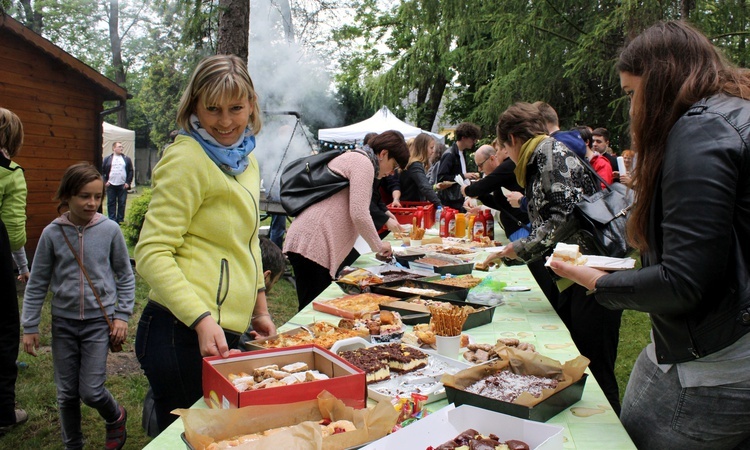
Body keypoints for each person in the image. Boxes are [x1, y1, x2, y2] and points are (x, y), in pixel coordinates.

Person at [550, 21, 750, 449]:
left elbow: (682, 282)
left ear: (659, 82)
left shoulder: (701, 129)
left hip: (714, 362)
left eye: (631, 93)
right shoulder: (735, 112)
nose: (631, 108)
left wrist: (600, 282)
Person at [135, 54, 276, 433]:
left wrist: (259, 308)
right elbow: (150, 252)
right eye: (212, 109)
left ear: (251, 105)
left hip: (222, 330)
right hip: (177, 332)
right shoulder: (187, 158)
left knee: (220, 433)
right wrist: (200, 318)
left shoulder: (246, 161)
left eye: (236, 108)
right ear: (194, 105)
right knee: (198, 437)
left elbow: (246, 244)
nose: (225, 121)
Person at [481, 102, 623, 414]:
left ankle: (613, 428)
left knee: (596, 364)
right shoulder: (544, 153)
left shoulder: (548, 154)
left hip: (592, 272)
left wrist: (516, 249)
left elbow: (561, 219)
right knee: (582, 356)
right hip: (578, 272)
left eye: (504, 147)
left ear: (514, 139)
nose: (506, 155)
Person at [21, 163, 134, 450]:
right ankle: (73, 445)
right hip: (63, 324)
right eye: (85, 196)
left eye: (98, 196)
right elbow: (37, 283)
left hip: (99, 323)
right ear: (68, 196)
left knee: (92, 391)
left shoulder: (110, 230)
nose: (92, 203)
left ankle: (115, 415)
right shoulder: (51, 234)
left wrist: (121, 315)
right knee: (66, 394)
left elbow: (125, 275)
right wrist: (30, 325)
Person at [284, 130, 409, 310]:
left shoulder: (360, 160)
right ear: (383, 154)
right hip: (312, 244)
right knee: (313, 308)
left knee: (317, 306)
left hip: (313, 244)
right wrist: (378, 246)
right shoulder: (363, 162)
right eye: (394, 165)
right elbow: (359, 213)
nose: (392, 173)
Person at [0, 107, 28, 435]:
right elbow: (15, 233)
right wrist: (23, 265)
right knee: (5, 332)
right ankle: (3, 412)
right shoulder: (9, 171)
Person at [436, 122, 481, 211]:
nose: (474, 142)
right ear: (463, 138)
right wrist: (464, 176)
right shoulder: (450, 154)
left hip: (459, 198)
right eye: (472, 139)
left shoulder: (462, 152)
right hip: (452, 201)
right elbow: (441, 178)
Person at [399, 133, 441, 206]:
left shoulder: (412, 163)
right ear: (423, 148)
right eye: (431, 148)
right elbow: (424, 187)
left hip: (409, 205)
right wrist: (439, 205)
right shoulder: (415, 165)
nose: (433, 151)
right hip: (411, 207)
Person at [101, 141, 134, 224]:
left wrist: (128, 182)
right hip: (111, 184)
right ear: (114, 148)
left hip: (122, 185)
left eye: (122, 147)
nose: (121, 148)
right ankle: (112, 220)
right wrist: (105, 181)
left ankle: (120, 220)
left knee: (122, 203)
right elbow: (102, 171)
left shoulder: (126, 159)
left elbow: (130, 171)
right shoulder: (107, 159)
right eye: (119, 147)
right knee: (111, 202)